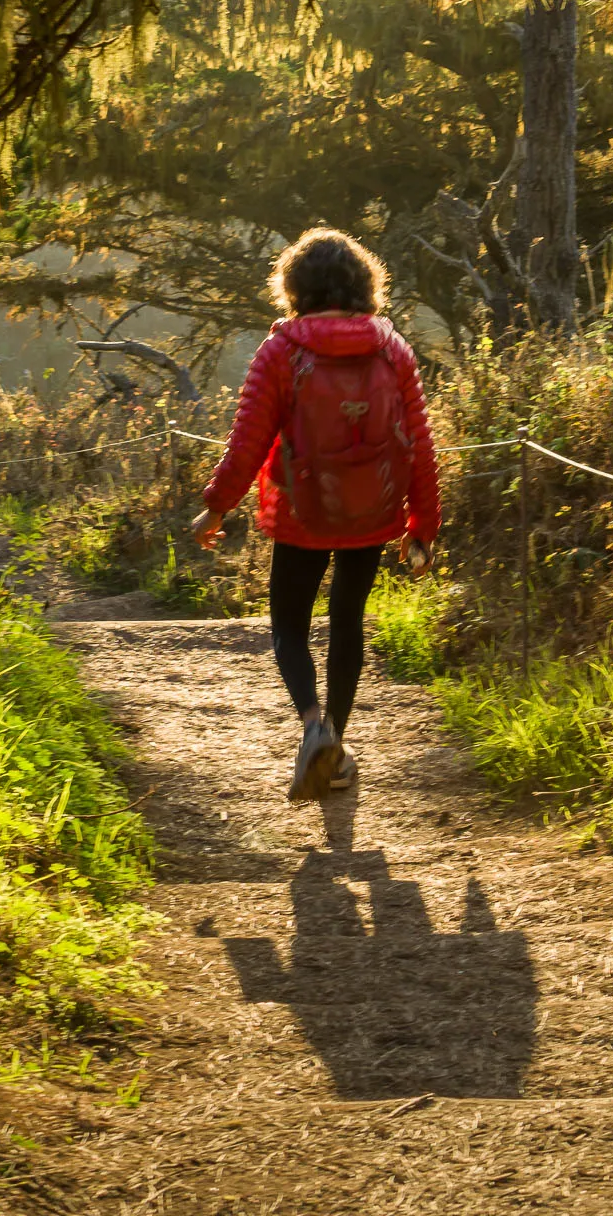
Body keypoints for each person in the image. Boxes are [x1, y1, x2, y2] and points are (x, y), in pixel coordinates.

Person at [192, 227, 442, 802]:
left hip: (301, 514)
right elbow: (420, 444)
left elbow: (247, 441)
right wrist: (422, 527)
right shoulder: (393, 349)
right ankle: (336, 745)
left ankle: (313, 729)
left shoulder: (281, 352)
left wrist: (215, 509)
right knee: (348, 623)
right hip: (373, 511)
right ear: (364, 284)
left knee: (289, 629)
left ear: (294, 287)